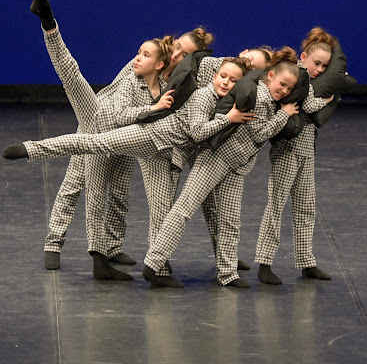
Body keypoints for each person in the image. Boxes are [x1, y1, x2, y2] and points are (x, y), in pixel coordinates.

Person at [4, 57, 255, 285]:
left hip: (164, 155)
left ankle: (159, 271)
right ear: (214, 75)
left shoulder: (223, 101)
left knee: (161, 209)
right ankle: (32, 149)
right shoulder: (204, 97)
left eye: (233, 81)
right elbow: (198, 132)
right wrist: (228, 119)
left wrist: (251, 67)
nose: (226, 82)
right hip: (150, 138)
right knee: (95, 143)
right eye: (223, 76)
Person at [28, 0, 214, 271]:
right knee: (77, 182)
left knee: (119, 192)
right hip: (103, 122)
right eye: (178, 48)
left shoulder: (180, 82)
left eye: (186, 54)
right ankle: (55, 241)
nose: (179, 55)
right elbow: (116, 92)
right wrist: (144, 110)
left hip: (130, 136)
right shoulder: (144, 63)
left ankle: (112, 247)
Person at [141, 47, 300, 288]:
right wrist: (284, 115)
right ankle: (153, 263)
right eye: (282, 84)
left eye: (289, 88)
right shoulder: (257, 95)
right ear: (270, 76)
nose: (284, 91)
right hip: (215, 158)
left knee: (230, 220)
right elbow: (260, 134)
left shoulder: (264, 97)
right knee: (184, 208)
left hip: (236, 165)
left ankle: (227, 273)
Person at [254, 27, 336, 285]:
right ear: (304, 57)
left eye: (324, 66)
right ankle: (264, 263)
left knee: (306, 208)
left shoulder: (310, 80)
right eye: (317, 63)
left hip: (307, 151)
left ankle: (306, 261)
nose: (320, 69)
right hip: (288, 151)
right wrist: (329, 99)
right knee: (276, 205)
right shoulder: (298, 77)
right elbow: (309, 105)